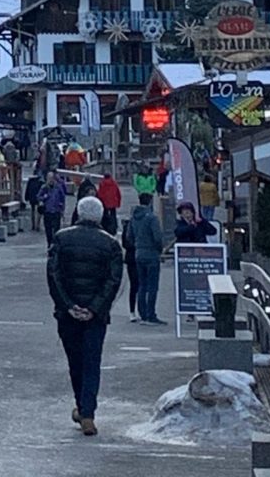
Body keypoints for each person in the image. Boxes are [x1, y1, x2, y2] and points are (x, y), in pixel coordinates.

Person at [47, 195, 124, 437]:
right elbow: (113, 281)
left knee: (75, 361)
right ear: (100, 216)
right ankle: (87, 412)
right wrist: (94, 308)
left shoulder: (61, 238)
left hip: (67, 313)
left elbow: (54, 276)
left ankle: (82, 407)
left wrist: (68, 305)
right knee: (92, 362)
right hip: (96, 315)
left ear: (78, 214)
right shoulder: (111, 244)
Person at [126, 192, 166, 324]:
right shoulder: (152, 218)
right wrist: (160, 249)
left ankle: (142, 313)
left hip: (138, 254)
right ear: (150, 202)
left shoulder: (134, 218)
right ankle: (151, 314)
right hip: (151, 254)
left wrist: (137, 245)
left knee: (141, 285)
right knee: (152, 286)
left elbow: (129, 237)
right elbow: (157, 237)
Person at [41, 170, 67, 246]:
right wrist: (44, 197)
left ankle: (55, 245)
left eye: (52, 178)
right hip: (47, 211)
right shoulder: (44, 187)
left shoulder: (58, 188)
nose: (50, 180)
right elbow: (38, 196)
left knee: (56, 230)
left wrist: (62, 208)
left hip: (56, 211)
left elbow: (63, 197)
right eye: (49, 178)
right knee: (48, 231)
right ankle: (49, 244)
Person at [96, 170, 122, 236]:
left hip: (105, 202)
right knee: (113, 216)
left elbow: (100, 194)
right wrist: (118, 202)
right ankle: (114, 228)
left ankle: (106, 228)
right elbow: (118, 193)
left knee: (105, 216)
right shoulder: (114, 183)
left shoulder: (102, 184)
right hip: (113, 202)